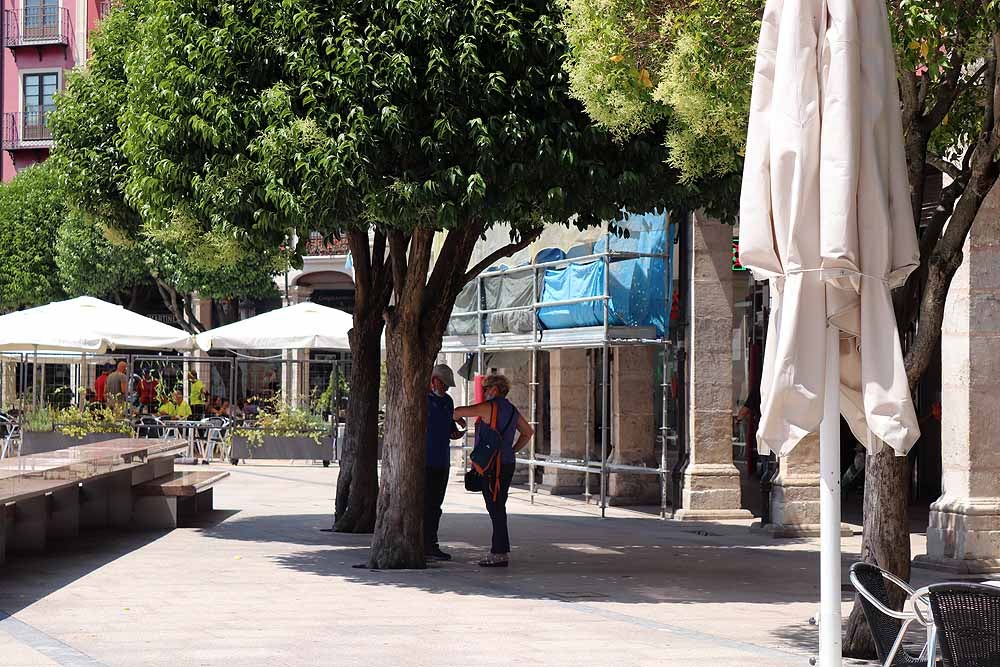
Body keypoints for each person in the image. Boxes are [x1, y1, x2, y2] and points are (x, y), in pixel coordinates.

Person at [453, 373, 534, 568]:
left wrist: (461, 421)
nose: (485, 392)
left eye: (486, 388)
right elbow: (528, 432)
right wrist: (511, 449)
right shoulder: (512, 410)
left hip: (492, 466)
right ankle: (500, 549)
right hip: (506, 463)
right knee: (499, 506)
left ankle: (499, 552)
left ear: (495, 390)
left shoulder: (490, 407)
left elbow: (458, 411)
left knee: (495, 508)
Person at [424, 364, 466, 562]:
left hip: (442, 460)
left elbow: (450, 428)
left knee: (436, 505)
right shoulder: (424, 401)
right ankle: (423, 542)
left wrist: (456, 431)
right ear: (434, 381)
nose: (446, 389)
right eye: (444, 384)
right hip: (425, 460)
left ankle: (431, 543)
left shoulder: (447, 402)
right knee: (425, 503)